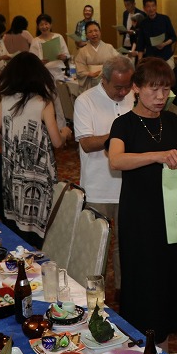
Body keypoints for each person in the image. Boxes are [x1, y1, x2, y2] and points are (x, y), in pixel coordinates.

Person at [108, 58, 177, 349]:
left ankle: (163, 342)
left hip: (170, 212)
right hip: (139, 215)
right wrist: (157, 156)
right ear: (136, 88)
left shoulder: (171, 121)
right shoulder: (124, 124)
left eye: (165, 90)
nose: (160, 97)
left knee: (168, 277)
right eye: (153, 89)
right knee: (142, 278)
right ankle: (138, 343)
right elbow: (116, 160)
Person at [0, 52, 72, 247]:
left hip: (13, 170)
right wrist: (65, 132)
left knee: (16, 215)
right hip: (38, 173)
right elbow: (56, 142)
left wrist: (8, 144)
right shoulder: (43, 103)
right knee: (39, 216)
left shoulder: (6, 100)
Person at [73, 56, 135, 294]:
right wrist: (120, 134)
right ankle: (93, 295)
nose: (123, 92)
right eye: (118, 87)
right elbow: (87, 144)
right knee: (96, 246)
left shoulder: (132, 97)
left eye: (127, 86)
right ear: (104, 80)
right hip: (97, 187)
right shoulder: (85, 101)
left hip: (128, 183)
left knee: (125, 245)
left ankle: (123, 291)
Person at [74, 21, 119, 91]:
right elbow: (80, 69)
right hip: (90, 82)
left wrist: (106, 72)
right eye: (90, 32)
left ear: (100, 32)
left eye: (96, 30)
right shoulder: (82, 51)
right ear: (86, 35)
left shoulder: (109, 47)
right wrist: (90, 74)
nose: (94, 34)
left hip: (107, 81)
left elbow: (118, 62)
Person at [135, 0, 177, 64]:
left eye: (153, 6)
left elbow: (173, 37)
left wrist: (164, 44)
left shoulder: (165, 19)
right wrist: (139, 61)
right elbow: (140, 44)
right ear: (144, 8)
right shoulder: (143, 23)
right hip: (151, 59)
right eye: (148, 6)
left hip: (166, 57)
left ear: (156, 6)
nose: (151, 9)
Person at [29, 13, 70, 81]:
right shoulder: (35, 41)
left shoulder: (58, 37)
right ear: (38, 27)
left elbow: (67, 54)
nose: (44, 27)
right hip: (42, 74)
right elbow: (31, 60)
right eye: (41, 24)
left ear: (50, 25)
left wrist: (64, 57)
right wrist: (40, 62)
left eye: (46, 24)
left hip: (58, 73)